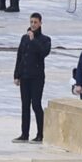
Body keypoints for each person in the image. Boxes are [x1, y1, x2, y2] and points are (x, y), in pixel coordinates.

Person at [13, 12, 51, 142]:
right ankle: (25, 134)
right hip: (25, 76)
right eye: (31, 22)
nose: (33, 25)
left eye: (35, 22)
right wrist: (17, 75)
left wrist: (33, 40)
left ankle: (40, 133)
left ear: (40, 23)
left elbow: (43, 53)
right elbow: (20, 57)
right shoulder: (24, 38)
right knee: (25, 105)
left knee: (36, 104)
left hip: (37, 77)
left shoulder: (45, 39)